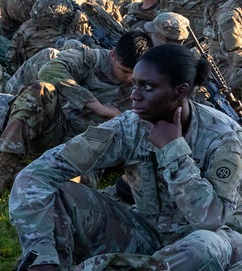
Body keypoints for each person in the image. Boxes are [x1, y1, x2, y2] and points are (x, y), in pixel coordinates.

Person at [9, 44, 242, 271]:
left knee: (205, 247)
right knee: (60, 193)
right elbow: (38, 174)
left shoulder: (225, 138)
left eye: (148, 87)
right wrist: (41, 260)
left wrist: (173, 149)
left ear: (180, 91)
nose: (134, 95)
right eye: (134, 84)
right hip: (147, 233)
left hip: (211, 240)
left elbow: (211, 219)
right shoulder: (130, 125)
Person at [0, 31, 151, 189]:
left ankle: (36, 175)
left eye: (135, 74)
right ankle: (8, 163)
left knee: (71, 180)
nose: (129, 79)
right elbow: (49, 70)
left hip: (90, 151)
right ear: (113, 55)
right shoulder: (93, 58)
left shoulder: (149, 86)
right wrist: (97, 106)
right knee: (41, 89)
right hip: (57, 131)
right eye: (125, 71)